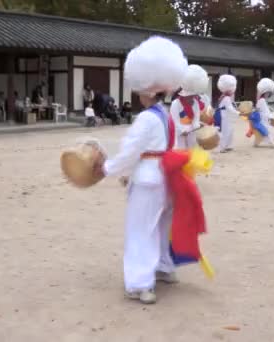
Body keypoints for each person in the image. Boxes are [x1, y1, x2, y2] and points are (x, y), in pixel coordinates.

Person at [94, 36, 211, 304]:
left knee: (140, 230)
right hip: (165, 177)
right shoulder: (166, 113)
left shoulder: (146, 118)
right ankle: (165, 268)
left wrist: (107, 169)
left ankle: (139, 284)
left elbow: (129, 152)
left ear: (147, 88)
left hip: (147, 179)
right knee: (160, 226)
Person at [170, 65, 208, 149]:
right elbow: (174, 122)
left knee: (192, 152)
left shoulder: (195, 103)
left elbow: (195, 120)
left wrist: (198, 125)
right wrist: (184, 130)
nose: (192, 97)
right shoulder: (175, 104)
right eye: (190, 96)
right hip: (179, 135)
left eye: (193, 95)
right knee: (181, 151)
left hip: (191, 134)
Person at [215, 74, 239, 153]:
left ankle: (227, 145)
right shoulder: (226, 98)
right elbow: (230, 108)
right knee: (225, 131)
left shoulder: (224, 96)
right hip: (223, 116)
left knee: (229, 130)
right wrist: (238, 113)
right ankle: (222, 148)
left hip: (224, 115)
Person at [249, 78, 274, 148]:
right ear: (266, 93)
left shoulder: (261, 100)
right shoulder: (262, 100)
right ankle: (271, 143)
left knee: (260, 131)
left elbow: (259, 108)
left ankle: (256, 143)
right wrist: (271, 116)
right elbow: (264, 111)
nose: (268, 94)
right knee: (266, 131)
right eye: (268, 93)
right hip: (263, 119)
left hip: (261, 118)